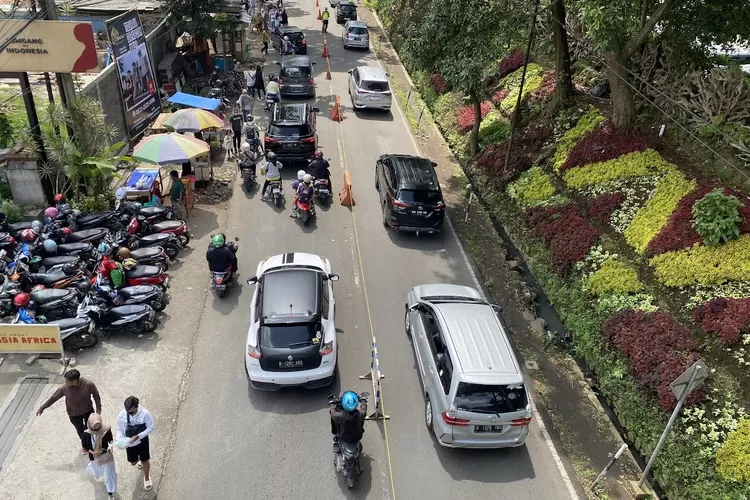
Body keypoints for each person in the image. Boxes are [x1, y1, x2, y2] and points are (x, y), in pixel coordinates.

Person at [36, 369, 102, 455]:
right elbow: (53, 398)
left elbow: (96, 394)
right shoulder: (64, 388)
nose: (66, 382)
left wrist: (98, 407)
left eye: (67, 380)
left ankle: (94, 444)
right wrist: (42, 408)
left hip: (88, 411)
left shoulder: (88, 384)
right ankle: (86, 446)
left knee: (90, 429)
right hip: (74, 414)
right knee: (80, 431)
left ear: (75, 380)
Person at [116, 396, 155, 491]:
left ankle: (146, 477)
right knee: (133, 462)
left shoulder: (145, 414)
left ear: (137, 407)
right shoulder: (122, 415)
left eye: (132, 412)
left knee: (145, 460)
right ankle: (139, 460)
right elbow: (120, 429)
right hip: (130, 444)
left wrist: (139, 436)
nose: (130, 413)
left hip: (142, 441)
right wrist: (120, 440)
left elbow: (151, 427)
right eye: (128, 411)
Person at [84, 413, 117, 498]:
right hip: (95, 458)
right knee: (97, 470)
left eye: (98, 426)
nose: (97, 429)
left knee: (109, 475)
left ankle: (110, 492)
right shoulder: (86, 434)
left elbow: (110, 440)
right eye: (94, 427)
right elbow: (85, 446)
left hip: (106, 456)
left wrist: (111, 447)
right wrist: (93, 453)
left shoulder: (106, 429)